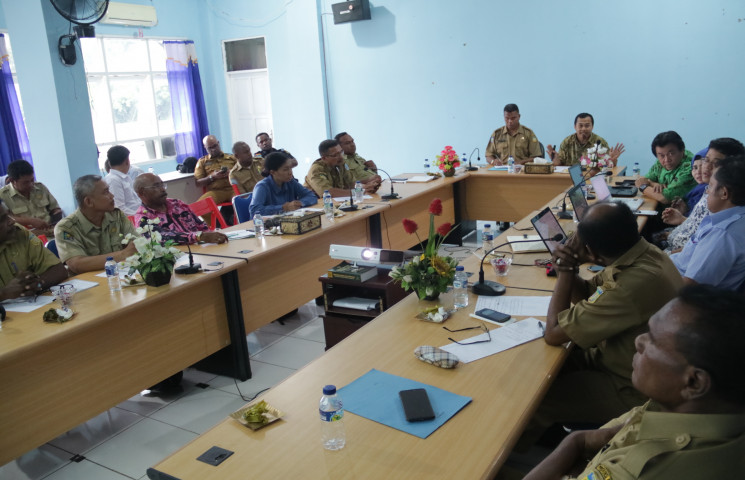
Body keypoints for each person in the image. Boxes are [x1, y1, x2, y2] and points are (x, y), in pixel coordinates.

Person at [523, 285, 745, 480]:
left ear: (694, 383)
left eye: (653, 340)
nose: (639, 341)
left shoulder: (637, 469)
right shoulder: (681, 406)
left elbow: (595, 446)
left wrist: (575, 442)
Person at [518, 202, 683, 449]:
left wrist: (565, 270)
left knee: (535, 400)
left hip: (631, 386)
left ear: (592, 253)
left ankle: (509, 459)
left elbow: (553, 334)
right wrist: (571, 268)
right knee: (533, 370)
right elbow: (589, 295)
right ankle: (547, 433)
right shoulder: (642, 253)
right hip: (617, 360)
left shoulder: (630, 285)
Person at [671, 155, 745, 290]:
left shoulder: (722, 235)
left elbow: (688, 287)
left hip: (673, 286)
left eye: (710, 186)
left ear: (724, 193)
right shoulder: (732, 218)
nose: (707, 191)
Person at [661, 138, 745, 253]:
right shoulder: (707, 189)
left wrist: (666, 256)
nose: (706, 166)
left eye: (716, 163)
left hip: (678, 255)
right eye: (706, 160)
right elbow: (696, 225)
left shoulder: (721, 201)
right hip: (673, 244)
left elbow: (699, 245)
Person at [54, 175, 138, 274]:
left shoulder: (117, 216)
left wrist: (129, 252)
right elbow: (76, 264)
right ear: (89, 201)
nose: (112, 196)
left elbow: (136, 246)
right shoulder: (66, 227)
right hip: (88, 281)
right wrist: (123, 254)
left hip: (121, 275)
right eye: (106, 192)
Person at [0, 200, 67, 302]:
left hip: (31, 307)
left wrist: (36, 284)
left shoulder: (19, 233)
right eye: (2, 219)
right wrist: (3, 294)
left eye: (8, 215)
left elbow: (59, 270)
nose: (12, 221)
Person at [133, 173, 228, 245]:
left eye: (162, 185)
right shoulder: (143, 218)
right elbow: (162, 238)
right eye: (156, 186)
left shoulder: (177, 204)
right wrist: (198, 237)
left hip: (203, 249)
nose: (162, 189)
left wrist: (212, 236)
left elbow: (201, 226)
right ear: (142, 192)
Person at [0, 160, 63, 236]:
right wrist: (30, 221)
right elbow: (7, 219)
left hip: (51, 232)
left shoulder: (40, 187)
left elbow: (56, 209)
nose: (31, 184)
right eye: (25, 182)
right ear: (12, 181)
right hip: (25, 237)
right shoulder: (3, 195)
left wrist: (55, 225)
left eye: (32, 180)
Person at [635, 131, 697, 206]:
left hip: (683, 211)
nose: (666, 160)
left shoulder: (691, 168)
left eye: (671, 154)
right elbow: (644, 180)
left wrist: (643, 187)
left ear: (682, 150)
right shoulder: (661, 161)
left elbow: (665, 198)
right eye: (661, 155)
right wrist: (654, 184)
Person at [249, 151, 318, 217]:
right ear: (273, 172)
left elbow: (311, 196)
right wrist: (283, 208)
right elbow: (254, 211)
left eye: (290, 168)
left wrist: (300, 203)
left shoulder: (291, 181)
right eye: (285, 169)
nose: (290, 173)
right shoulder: (262, 186)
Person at [546, 113, 625, 166]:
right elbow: (559, 165)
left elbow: (610, 166)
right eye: (580, 126)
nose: (583, 129)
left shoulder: (600, 142)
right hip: (570, 179)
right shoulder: (567, 142)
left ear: (592, 127)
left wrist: (612, 160)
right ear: (575, 127)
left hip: (593, 178)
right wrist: (555, 160)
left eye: (587, 126)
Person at [305, 139, 374, 197]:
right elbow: (328, 192)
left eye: (341, 152)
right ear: (324, 158)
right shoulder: (316, 170)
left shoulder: (340, 163)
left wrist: (367, 187)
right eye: (335, 155)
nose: (341, 157)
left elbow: (351, 183)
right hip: (316, 205)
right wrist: (357, 192)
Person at [193, 135, 238, 205]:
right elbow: (198, 183)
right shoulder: (202, 162)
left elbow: (243, 172)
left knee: (245, 202)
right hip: (216, 192)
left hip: (233, 188)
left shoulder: (231, 157)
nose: (213, 149)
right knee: (199, 207)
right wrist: (212, 177)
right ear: (205, 147)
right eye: (210, 148)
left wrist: (232, 173)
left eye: (215, 146)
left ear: (218, 143)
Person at [104, 145, 142, 216]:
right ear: (127, 161)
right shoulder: (113, 180)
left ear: (109, 163)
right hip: (132, 217)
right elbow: (118, 208)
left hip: (139, 213)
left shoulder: (125, 177)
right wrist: (139, 215)